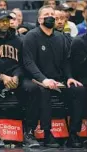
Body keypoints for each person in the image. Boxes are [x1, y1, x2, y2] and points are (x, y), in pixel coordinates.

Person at [0, 9, 42, 148]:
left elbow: (22, 64)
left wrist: (16, 77)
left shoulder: (18, 40)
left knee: (34, 88)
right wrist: (2, 77)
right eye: (1, 20)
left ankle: (29, 132)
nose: (5, 23)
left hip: (14, 77)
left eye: (7, 20)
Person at [23, 5, 85, 148]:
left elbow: (65, 62)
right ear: (39, 19)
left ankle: (74, 134)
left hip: (57, 80)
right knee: (43, 92)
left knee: (79, 90)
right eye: (47, 14)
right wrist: (44, 79)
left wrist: (69, 77)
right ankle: (46, 133)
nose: (51, 16)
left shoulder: (61, 37)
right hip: (36, 79)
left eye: (53, 14)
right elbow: (28, 62)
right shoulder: (31, 36)